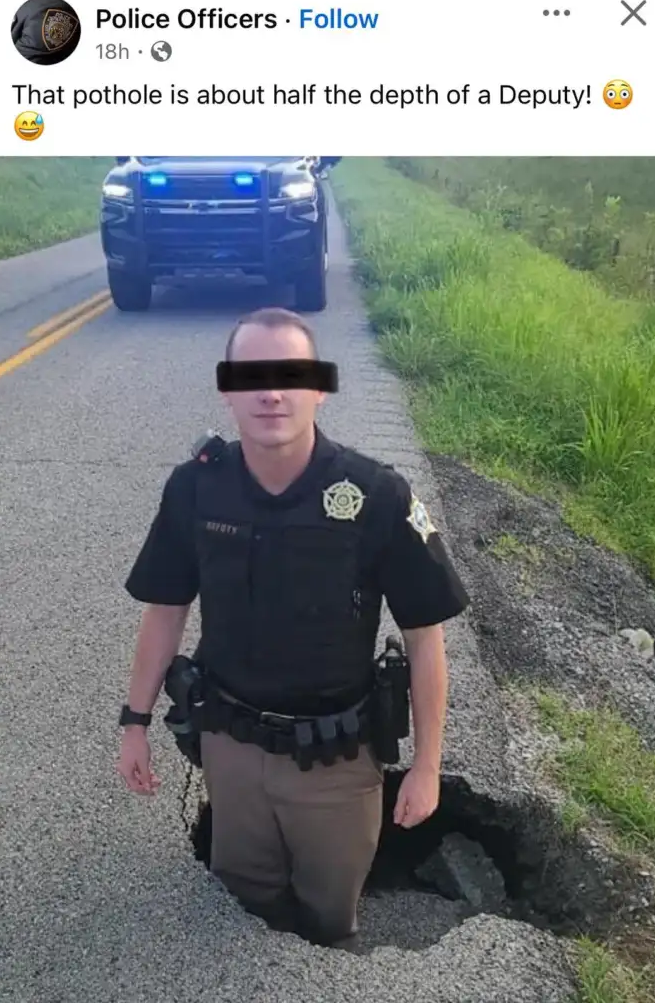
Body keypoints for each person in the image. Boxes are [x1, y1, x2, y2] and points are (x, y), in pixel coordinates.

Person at [116, 306, 470, 949]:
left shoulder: (376, 495)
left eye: (290, 374)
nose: (271, 391)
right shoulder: (196, 489)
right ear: (227, 390)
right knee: (241, 910)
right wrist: (134, 723)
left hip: (336, 761)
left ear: (320, 387)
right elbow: (165, 610)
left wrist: (426, 765)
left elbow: (425, 637)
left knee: (329, 917)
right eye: (252, 375)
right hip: (229, 749)